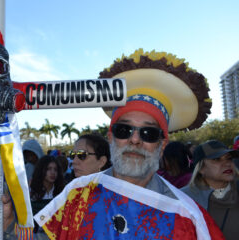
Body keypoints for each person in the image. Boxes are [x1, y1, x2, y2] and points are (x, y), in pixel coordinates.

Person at [32, 49, 223, 239]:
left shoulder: (188, 216)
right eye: (124, 130)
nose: (135, 139)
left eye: (149, 133)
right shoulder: (76, 195)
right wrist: (7, 226)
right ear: (111, 137)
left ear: (162, 144)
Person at [182, 140, 239, 239]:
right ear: (201, 168)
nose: (227, 164)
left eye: (229, 158)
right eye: (217, 159)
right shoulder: (184, 199)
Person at [30, 156, 64, 239]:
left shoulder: (62, 192)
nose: (53, 173)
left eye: (55, 169)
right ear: (41, 170)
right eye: (49, 169)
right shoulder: (31, 191)